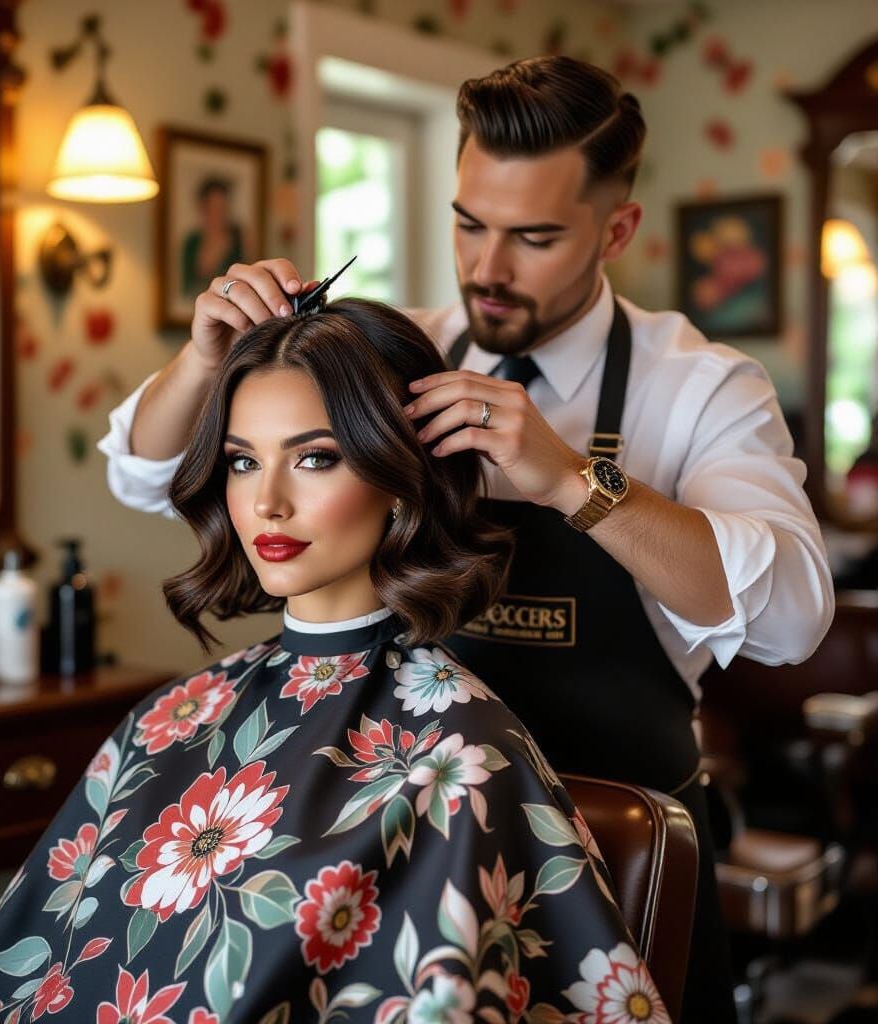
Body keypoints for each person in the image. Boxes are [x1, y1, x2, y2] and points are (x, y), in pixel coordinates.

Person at [98, 57, 835, 1022]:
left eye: (534, 237)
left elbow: (792, 620)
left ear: (617, 230)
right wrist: (202, 362)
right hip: (410, 848)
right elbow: (143, 474)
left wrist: (574, 481)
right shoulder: (401, 350)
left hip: (625, 860)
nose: (488, 267)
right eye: (469, 223)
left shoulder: (701, 386)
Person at [0, 300, 671, 1024]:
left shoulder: (459, 757)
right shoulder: (170, 717)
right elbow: (28, 967)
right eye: (244, 462)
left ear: (398, 483)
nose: (267, 503)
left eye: (315, 458)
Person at [181, 177, 248, 297]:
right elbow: (188, 287)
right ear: (203, 209)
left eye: (222, 209)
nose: (218, 216)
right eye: (213, 209)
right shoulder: (191, 242)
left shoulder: (238, 241)